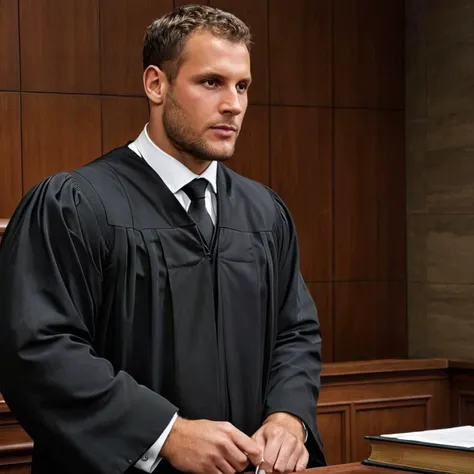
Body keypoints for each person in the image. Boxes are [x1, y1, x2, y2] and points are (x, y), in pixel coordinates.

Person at [0, 5, 326, 474]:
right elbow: (39, 348)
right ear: (156, 84)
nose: (233, 104)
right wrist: (164, 433)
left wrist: (288, 416)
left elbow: (295, 331)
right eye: (211, 82)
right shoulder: (77, 205)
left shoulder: (263, 213)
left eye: (243, 86)